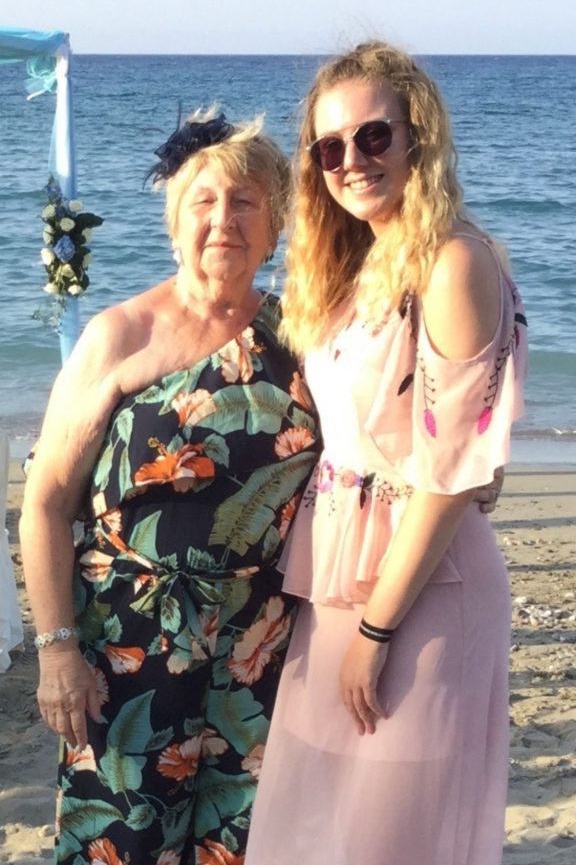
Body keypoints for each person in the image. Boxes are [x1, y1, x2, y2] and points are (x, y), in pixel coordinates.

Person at [245, 42, 528, 865]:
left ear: (417, 137)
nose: (352, 161)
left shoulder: (452, 261)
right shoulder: (365, 259)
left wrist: (377, 629)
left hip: (421, 588)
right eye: (329, 148)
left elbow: (450, 477)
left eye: (373, 136)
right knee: (313, 828)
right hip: (337, 573)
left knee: (391, 839)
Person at [19, 112, 321, 865]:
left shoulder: (304, 338)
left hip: (261, 643)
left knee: (242, 843)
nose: (225, 219)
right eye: (204, 201)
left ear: (276, 225)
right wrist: (57, 652)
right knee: (122, 840)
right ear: (174, 223)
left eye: (246, 201)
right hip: (127, 642)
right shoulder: (122, 335)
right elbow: (46, 503)